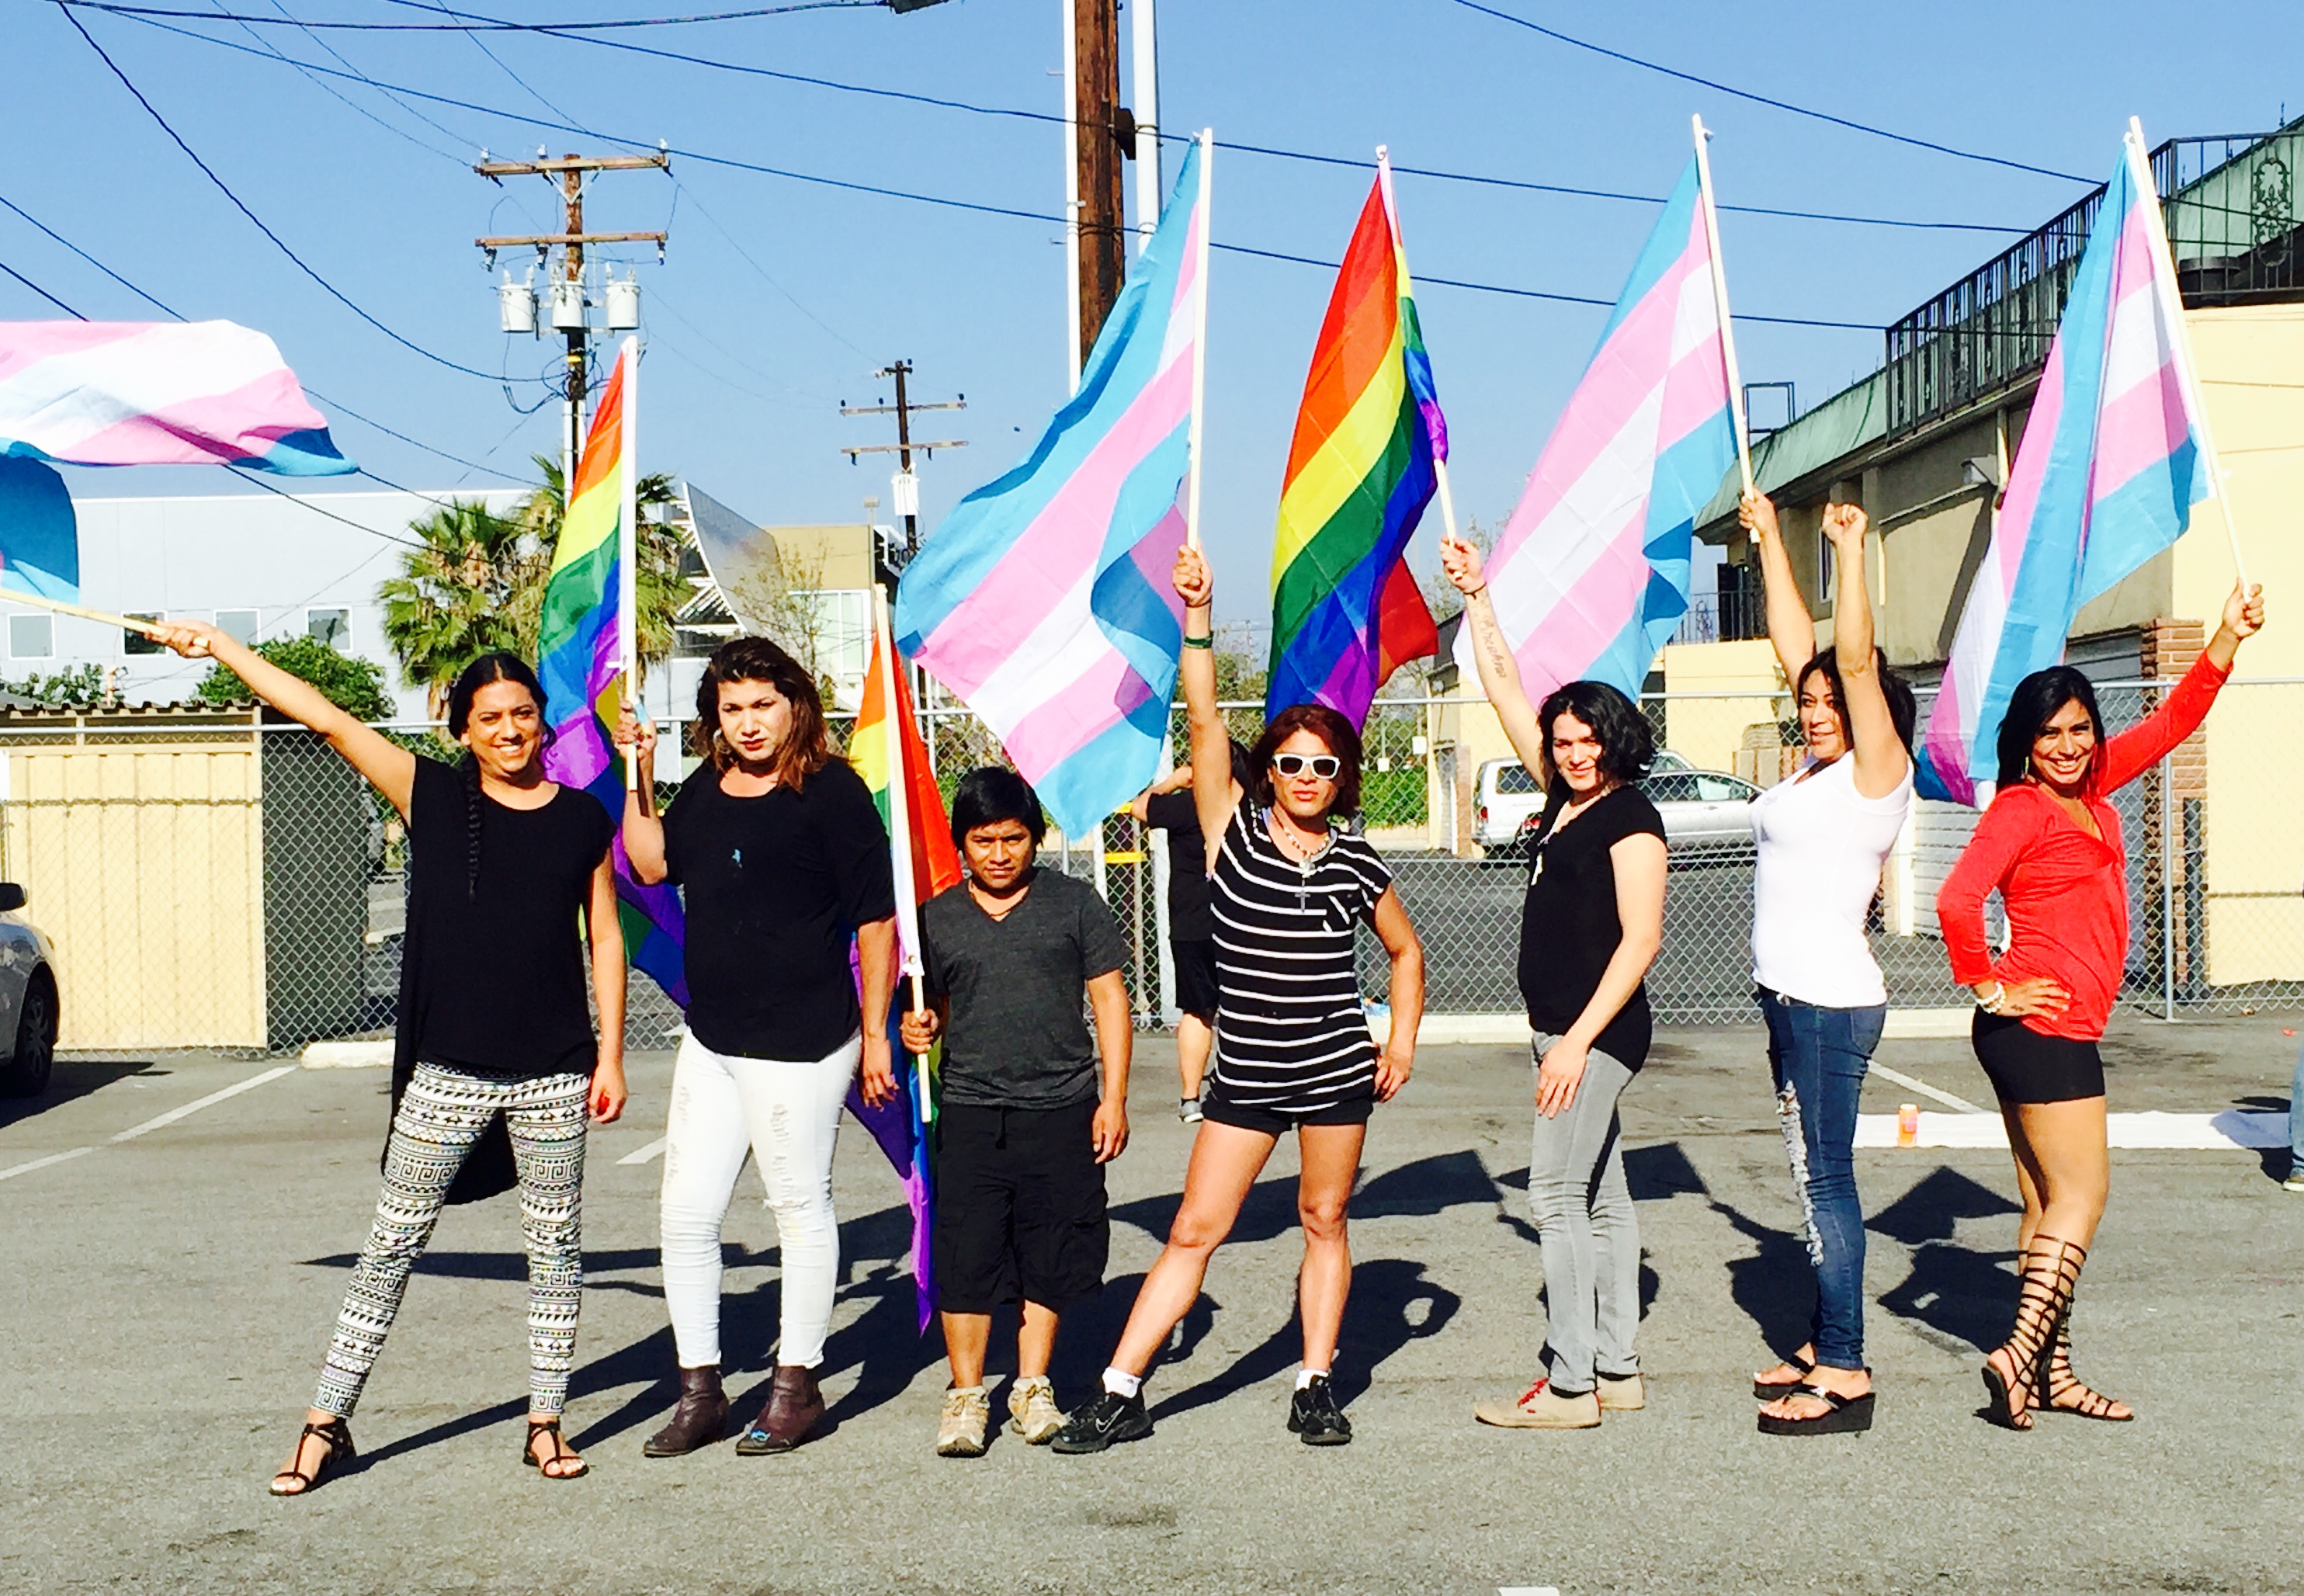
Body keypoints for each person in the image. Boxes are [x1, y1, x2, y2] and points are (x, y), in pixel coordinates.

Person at [150, 626, 626, 1492]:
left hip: (556, 1071)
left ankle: (546, 1421)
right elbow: (326, 717)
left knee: (555, 1250)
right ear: (462, 730)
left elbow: (605, 937)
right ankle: (324, 1424)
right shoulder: (429, 794)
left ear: (544, 722)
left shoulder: (581, 817)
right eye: (490, 718)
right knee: (391, 1248)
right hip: (448, 1071)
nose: (510, 730)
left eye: (523, 714)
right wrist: (221, 648)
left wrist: (612, 1056)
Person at [1053, 544, 1424, 1454]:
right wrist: (1199, 615)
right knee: (1194, 1227)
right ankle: (1120, 1388)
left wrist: (1401, 1041)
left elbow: (1405, 951)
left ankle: (1314, 1383)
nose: (1306, 777)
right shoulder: (1231, 833)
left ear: (1342, 776)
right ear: (1269, 771)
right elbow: (1205, 715)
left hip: (1334, 1070)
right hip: (1248, 1076)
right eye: (1291, 763)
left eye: (1323, 766)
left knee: (1324, 1219)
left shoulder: (1356, 860)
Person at [1938, 577, 2264, 1429]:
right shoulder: (2021, 808)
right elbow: (1956, 899)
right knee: (2084, 1197)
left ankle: (2053, 1374)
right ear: (2026, 742)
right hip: (2039, 1027)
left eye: (2079, 728)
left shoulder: (2090, 789)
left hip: (2038, 1029)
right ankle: (2019, 1355)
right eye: (2050, 733)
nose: (2068, 745)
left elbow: (2174, 722)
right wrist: (1989, 983)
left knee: (2046, 1206)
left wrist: (2226, 637)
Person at [614, 637, 899, 1459]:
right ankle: (699, 1391)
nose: (748, 723)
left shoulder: (832, 791)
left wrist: (876, 1035)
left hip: (803, 1041)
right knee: (685, 1215)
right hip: (715, 1037)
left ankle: (795, 1387)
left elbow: (876, 920)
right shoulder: (708, 785)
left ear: (794, 705)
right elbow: (651, 862)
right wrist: (639, 772)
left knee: (798, 1209)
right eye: (731, 708)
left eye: (763, 705)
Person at [1441, 533, 1667, 1433]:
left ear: (1616, 739)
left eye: (1587, 739)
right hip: (1562, 1029)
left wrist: (1574, 1043)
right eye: (1563, 741)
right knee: (1602, 1197)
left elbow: (1640, 941)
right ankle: (1616, 1368)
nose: (1573, 752)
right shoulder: (1561, 799)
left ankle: (1571, 1386)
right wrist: (1478, 598)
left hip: (1593, 1033)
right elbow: (1502, 688)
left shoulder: (1631, 816)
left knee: (1553, 1196)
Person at [1735, 493, 1917, 1437]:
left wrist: (1847, 550)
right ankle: (1822, 1338)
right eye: (1804, 703)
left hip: (1826, 1005)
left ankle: (1843, 1366)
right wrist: (1769, 539)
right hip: (1787, 1000)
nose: (1815, 711)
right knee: (1810, 1170)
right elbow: (1796, 645)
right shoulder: (1812, 771)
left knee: (1825, 1182)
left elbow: (1848, 658)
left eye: (1830, 703)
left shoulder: (1875, 773)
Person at [900, 767, 1133, 1458]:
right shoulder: (935, 919)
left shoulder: (1075, 904)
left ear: (1035, 838)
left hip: (1061, 1108)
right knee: (966, 1255)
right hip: (971, 1110)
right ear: (961, 844)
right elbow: (935, 1010)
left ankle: (1033, 1385)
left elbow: (1110, 1000)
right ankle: (967, 1396)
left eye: (1013, 839)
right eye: (983, 841)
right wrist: (920, 1028)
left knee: (1049, 1251)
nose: (999, 854)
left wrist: (1114, 1098)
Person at [1132, 741, 1254, 1123]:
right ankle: (1248, 1087)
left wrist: (1173, 781)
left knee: (1197, 1011)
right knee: (1248, 1005)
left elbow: (1140, 807)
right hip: (1244, 920)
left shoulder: (1186, 806)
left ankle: (1190, 1098)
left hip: (1191, 922)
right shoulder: (1253, 809)